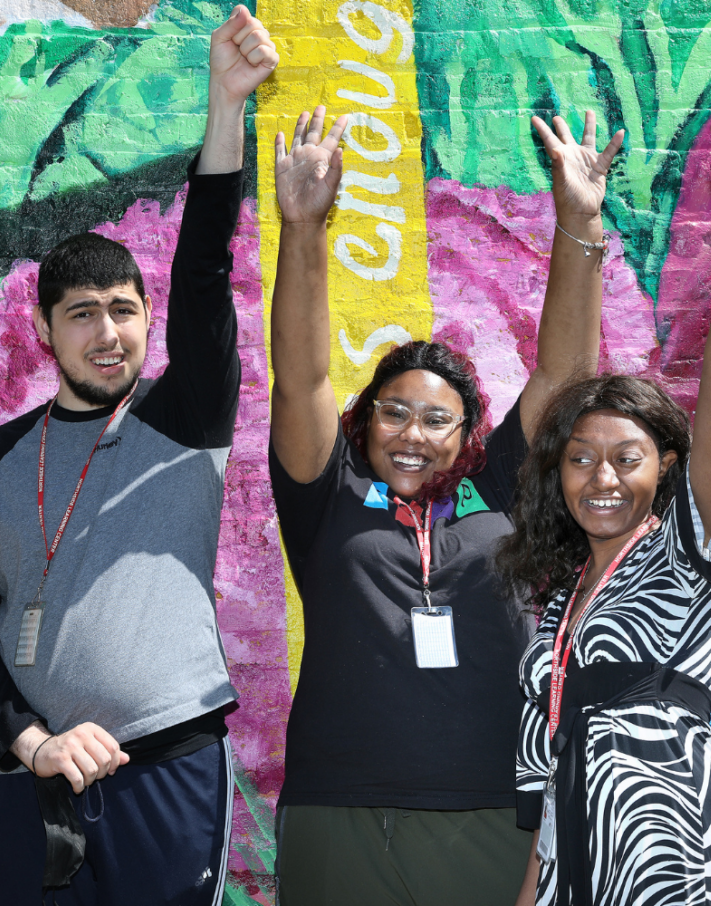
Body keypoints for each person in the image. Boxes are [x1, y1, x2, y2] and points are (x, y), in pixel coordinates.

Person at [0, 7, 277, 903]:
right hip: (28, 777)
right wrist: (29, 738)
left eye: (124, 309)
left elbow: (203, 269)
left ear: (146, 321)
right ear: (44, 329)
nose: (108, 331)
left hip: (165, 764)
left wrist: (225, 105)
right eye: (82, 313)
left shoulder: (182, 419)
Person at [266, 104, 623, 904]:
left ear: (467, 436)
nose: (412, 435)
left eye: (437, 419)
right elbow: (302, 377)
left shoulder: (497, 490)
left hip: (489, 813)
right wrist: (303, 228)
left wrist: (578, 220)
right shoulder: (326, 493)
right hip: (338, 812)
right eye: (394, 412)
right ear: (364, 421)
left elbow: (565, 380)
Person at [497, 108, 711, 906]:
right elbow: (555, 779)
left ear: (669, 468)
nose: (601, 478)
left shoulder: (691, 546)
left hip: (676, 858)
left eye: (626, 459)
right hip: (575, 862)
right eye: (580, 460)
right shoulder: (559, 595)